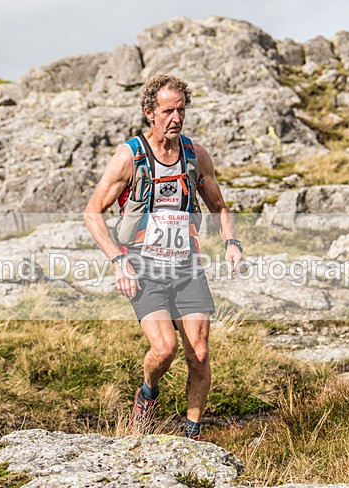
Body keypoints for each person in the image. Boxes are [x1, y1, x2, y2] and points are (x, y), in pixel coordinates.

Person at [84, 73, 244, 440]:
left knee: (199, 353)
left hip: (186, 266)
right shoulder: (130, 156)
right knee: (165, 348)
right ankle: (148, 391)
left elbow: (219, 206)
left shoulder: (195, 155)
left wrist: (232, 242)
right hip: (143, 267)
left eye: (181, 110)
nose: (176, 118)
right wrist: (117, 260)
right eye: (168, 111)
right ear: (150, 113)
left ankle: (192, 433)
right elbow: (93, 211)